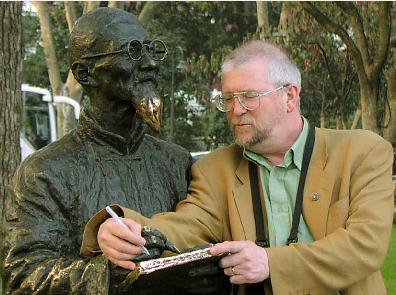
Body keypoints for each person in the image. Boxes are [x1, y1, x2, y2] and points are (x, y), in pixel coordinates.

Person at [82, 41, 395, 295]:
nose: (235, 110)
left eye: (249, 97)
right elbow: (188, 225)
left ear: (289, 96)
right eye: (228, 98)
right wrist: (131, 228)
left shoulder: (363, 151)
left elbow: (365, 245)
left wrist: (270, 263)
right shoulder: (217, 168)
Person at [2, 7, 194, 295]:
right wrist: (110, 274)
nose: (150, 63)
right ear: (85, 73)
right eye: (131, 51)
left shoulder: (177, 163)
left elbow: (203, 236)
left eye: (150, 49)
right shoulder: (44, 172)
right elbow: (22, 275)